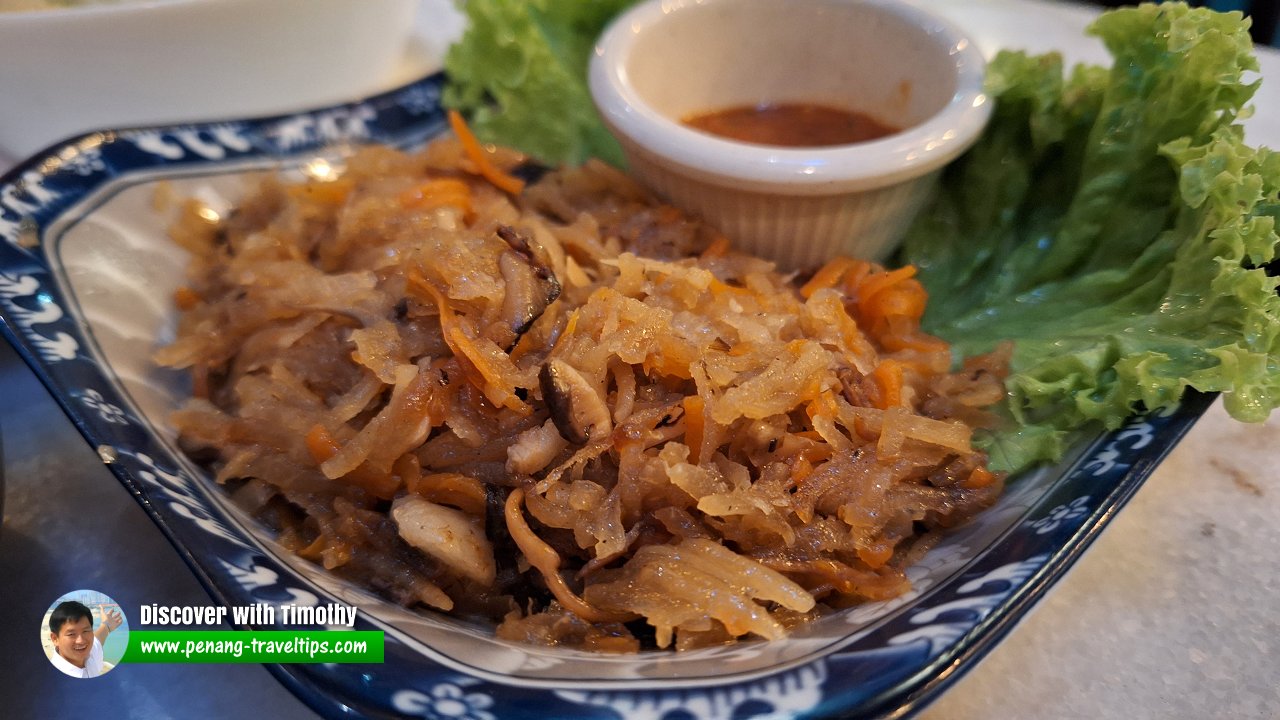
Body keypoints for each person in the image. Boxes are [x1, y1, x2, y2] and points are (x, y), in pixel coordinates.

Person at [46, 600, 122, 678]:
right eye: (71, 634)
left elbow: (98, 638)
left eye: (85, 631)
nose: (81, 641)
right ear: (55, 639)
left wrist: (106, 625)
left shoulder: (90, 654)